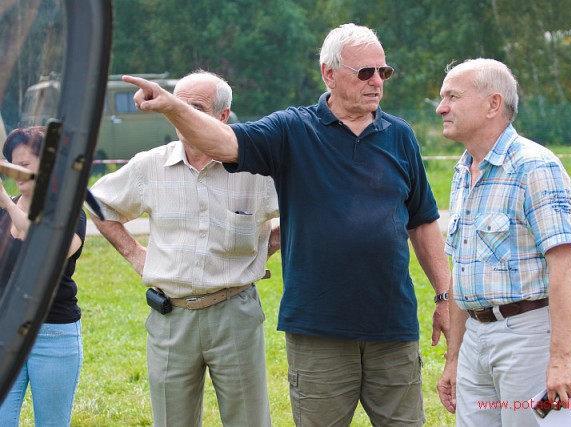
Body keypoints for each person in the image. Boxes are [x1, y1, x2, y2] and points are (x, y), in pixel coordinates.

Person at [122, 23, 451, 426]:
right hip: (318, 331)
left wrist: (442, 295)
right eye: (365, 72)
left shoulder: (400, 135)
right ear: (329, 74)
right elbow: (224, 143)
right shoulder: (293, 130)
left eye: (384, 72)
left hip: (392, 327)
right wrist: (176, 107)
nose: (377, 81)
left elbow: (423, 221)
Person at [89, 70, 279, 427]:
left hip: (234, 313)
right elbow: (98, 204)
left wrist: (268, 244)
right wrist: (134, 253)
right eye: (176, 104)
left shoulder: (256, 171)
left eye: (195, 107)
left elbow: (304, 206)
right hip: (170, 318)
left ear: (223, 117)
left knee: (249, 421)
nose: (181, 113)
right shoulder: (151, 165)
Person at [434, 58, 571, 426]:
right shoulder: (462, 171)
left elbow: (563, 266)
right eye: (442, 98)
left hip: (526, 337)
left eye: (452, 96)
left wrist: (562, 359)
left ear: (492, 104)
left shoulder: (535, 166)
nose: (441, 108)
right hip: (475, 341)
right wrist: (454, 357)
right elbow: (461, 271)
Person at [0, 126, 86, 426]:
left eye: (24, 166)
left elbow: (43, 248)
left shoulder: (70, 214)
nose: (16, 173)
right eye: (11, 166)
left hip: (53, 334)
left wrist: (7, 204)